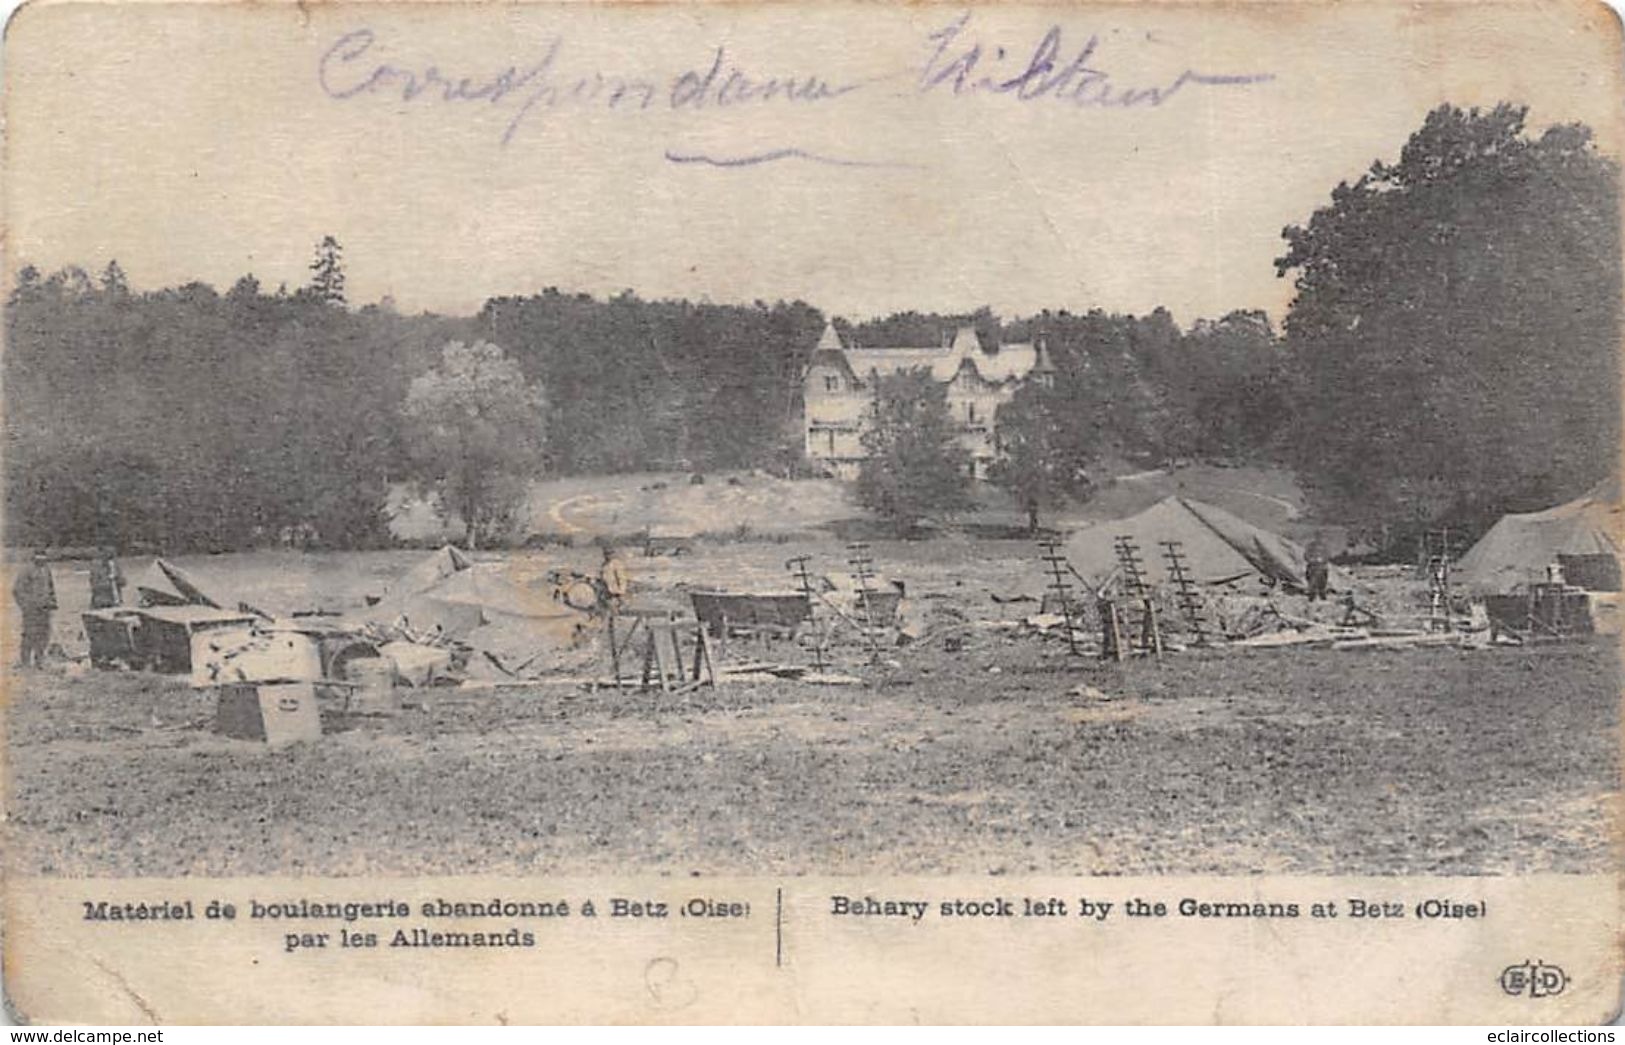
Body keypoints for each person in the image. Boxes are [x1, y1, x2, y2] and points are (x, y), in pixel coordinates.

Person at [13, 551, 57, 668]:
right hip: (31, 610)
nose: (42, 561)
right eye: (39, 558)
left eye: (44, 558)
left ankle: (40, 660)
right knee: (29, 634)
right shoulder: (26, 571)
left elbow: (50, 587)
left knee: (44, 634)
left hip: (45, 609)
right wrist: (27, 606)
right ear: (34, 558)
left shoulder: (46, 570)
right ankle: (25, 661)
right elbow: (17, 591)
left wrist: (52, 602)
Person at [597, 544, 630, 614]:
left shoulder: (616, 563)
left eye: (609, 554)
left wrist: (620, 592)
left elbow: (622, 578)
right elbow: (603, 577)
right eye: (605, 554)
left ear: (612, 554)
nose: (607, 556)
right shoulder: (604, 564)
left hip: (615, 592)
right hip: (606, 591)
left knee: (614, 610)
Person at [1304, 538, 1330, 602]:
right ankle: (1312, 596)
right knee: (1312, 583)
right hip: (1313, 567)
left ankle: (1322, 596)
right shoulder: (1310, 549)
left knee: (1322, 583)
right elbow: (1306, 556)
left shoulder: (1324, 549)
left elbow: (1327, 557)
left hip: (1320, 567)